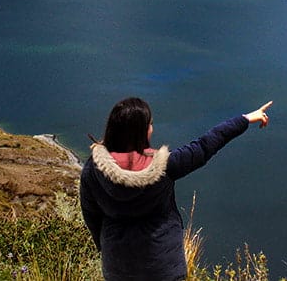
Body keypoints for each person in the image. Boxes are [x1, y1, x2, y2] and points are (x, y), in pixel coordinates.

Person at [79, 97, 273, 281]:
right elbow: (205, 145)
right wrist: (245, 119)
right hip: (163, 266)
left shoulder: (93, 169)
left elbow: (91, 215)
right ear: (141, 131)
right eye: (150, 124)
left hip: (118, 267)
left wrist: (105, 247)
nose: (151, 128)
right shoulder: (166, 166)